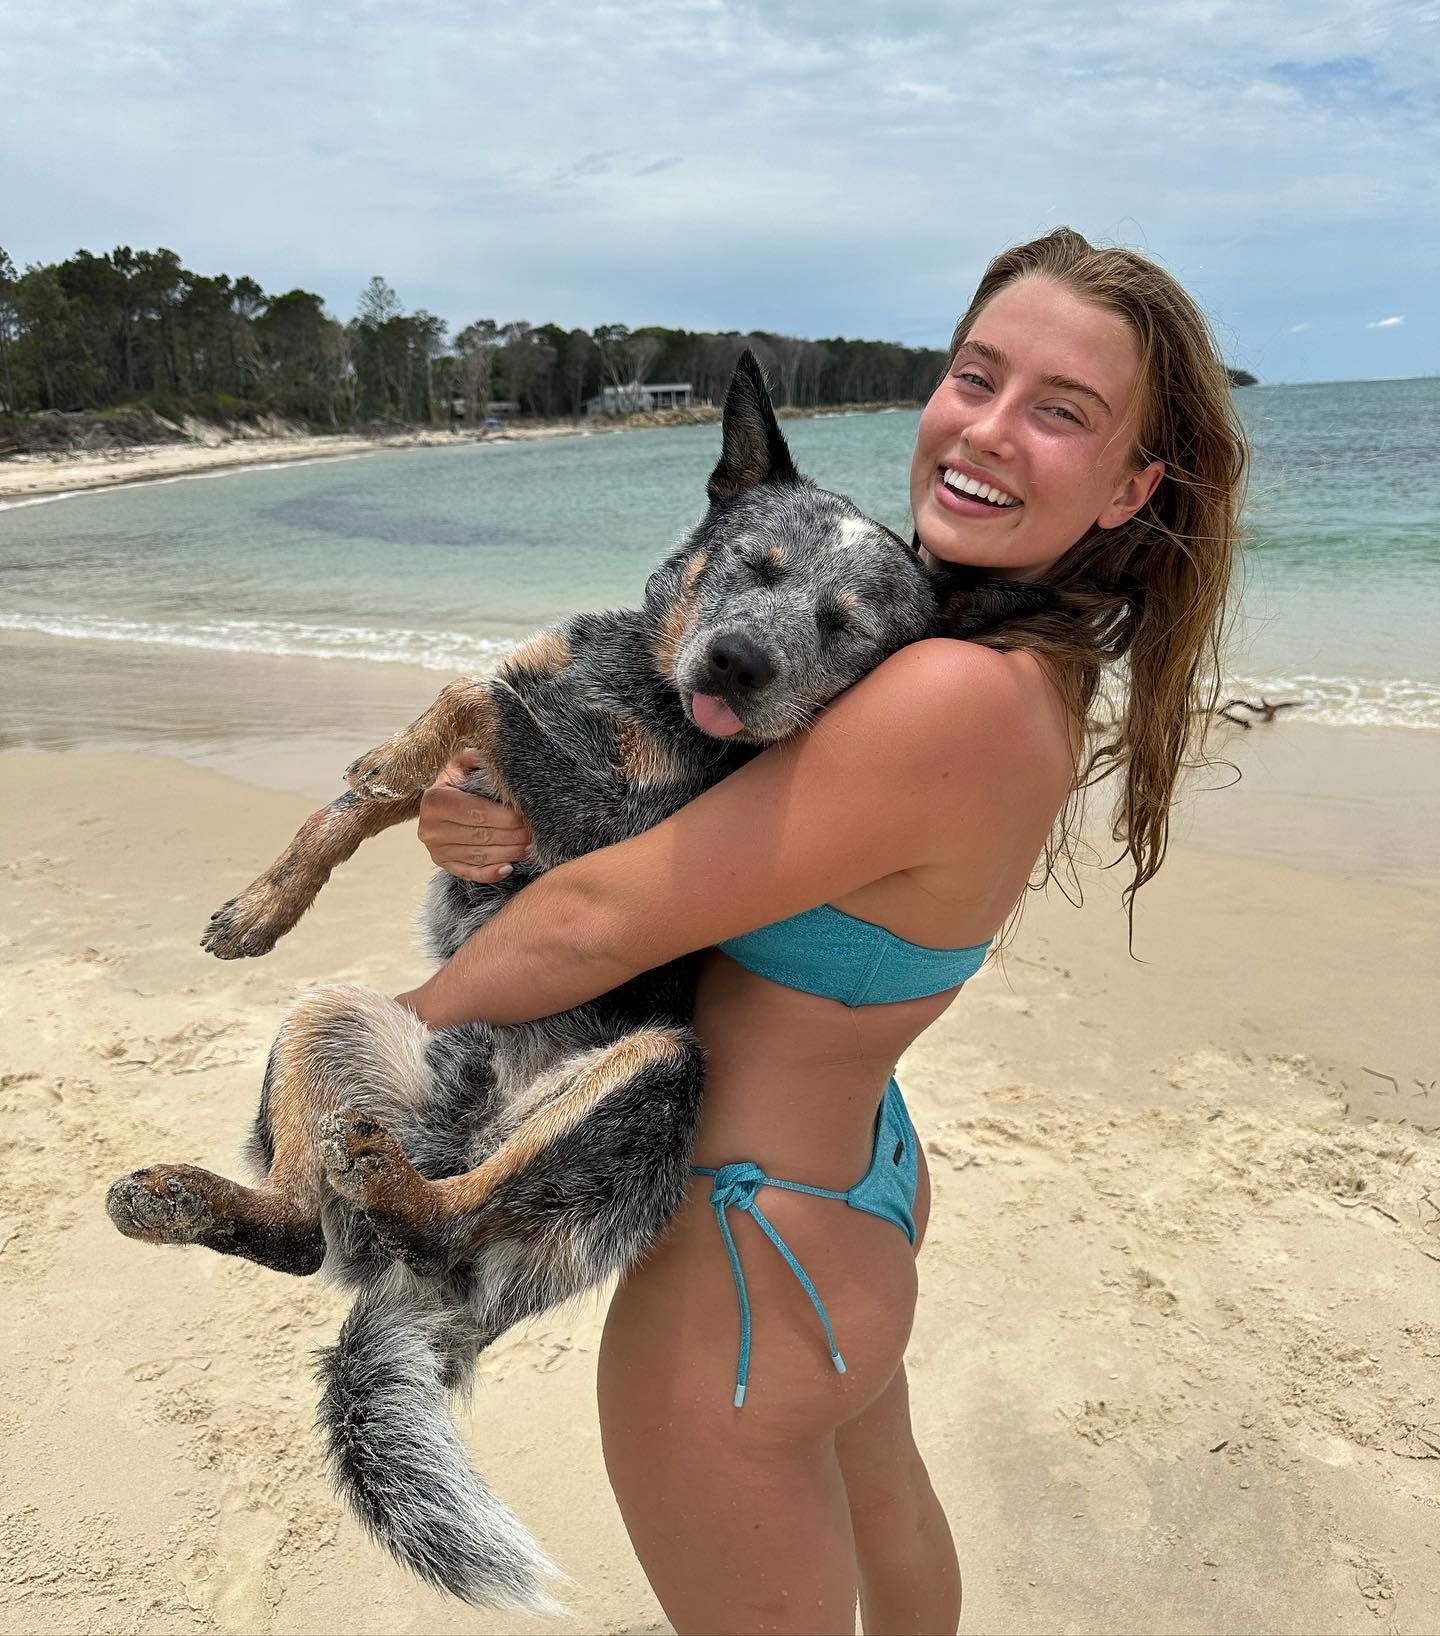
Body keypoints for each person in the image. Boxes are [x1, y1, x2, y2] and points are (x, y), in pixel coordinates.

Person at [397, 227, 1248, 1635]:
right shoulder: (999, 658)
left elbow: (604, 917)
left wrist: (388, 1049)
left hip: (746, 1257)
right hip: (851, 1189)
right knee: (888, 1513)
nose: (990, 429)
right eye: (976, 376)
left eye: (1062, 410)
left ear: (1131, 485)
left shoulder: (946, 691)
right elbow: (671, 824)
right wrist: (485, 817)